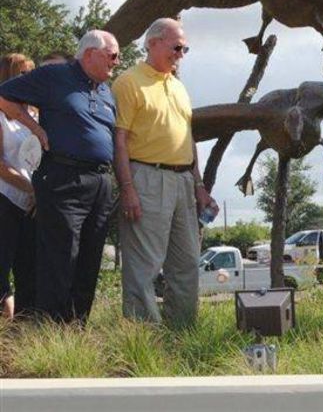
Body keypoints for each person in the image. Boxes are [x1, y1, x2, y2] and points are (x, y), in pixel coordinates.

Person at [0, 31, 119, 323]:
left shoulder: (106, 90)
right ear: (90, 53)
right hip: (63, 176)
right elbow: (3, 95)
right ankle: (52, 331)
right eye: (113, 55)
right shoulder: (55, 75)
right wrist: (34, 127)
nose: (118, 61)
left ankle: (77, 330)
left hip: (101, 181)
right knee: (62, 256)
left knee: (91, 259)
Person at [112, 18, 217, 327]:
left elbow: (188, 138)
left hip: (184, 181)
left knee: (186, 263)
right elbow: (119, 138)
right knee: (144, 264)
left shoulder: (179, 86)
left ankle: (181, 333)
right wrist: (127, 187)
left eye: (185, 48)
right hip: (146, 176)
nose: (181, 54)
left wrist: (199, 186)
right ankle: (143, 338)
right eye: (176, 47)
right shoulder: (128, 81)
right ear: (152, 43)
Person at [0, 54, 37, 319]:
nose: (30, 78)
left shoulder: (36, 113)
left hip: (34, 205)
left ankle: (22, 333)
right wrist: (31, 190)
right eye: (24, 73)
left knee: (30, 270)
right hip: (6, 198)